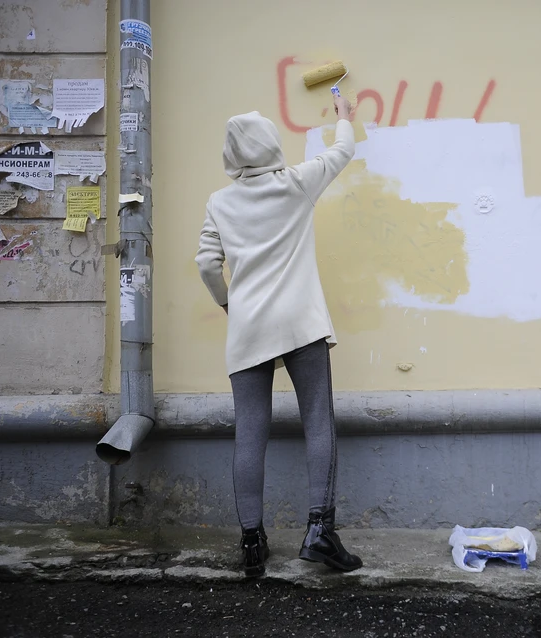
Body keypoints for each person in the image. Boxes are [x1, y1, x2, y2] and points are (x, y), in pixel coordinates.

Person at [195, 95, 360, 578]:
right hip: (300, 323)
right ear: (270, 144)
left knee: (249, 433)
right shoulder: (296, 183)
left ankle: (252, 542)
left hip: (248, 327)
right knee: (318, 422)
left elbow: (206, 265)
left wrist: (228, 304)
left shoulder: (219, 203)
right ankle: (319, 532)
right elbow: (342, 152)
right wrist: (344, 118)